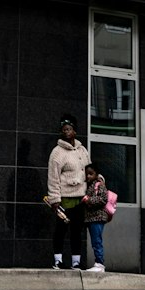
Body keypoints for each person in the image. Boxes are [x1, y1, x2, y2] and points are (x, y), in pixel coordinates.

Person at [44, 116, 90, 269]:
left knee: (77, 230)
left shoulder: (82, 150)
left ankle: (76, 262)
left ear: (74, 131)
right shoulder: (57, 152)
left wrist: (99, 178)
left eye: (69, 129)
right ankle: (58, 260)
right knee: (61, 230)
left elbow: (89, 169)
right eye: (64, 130)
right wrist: (54, 199)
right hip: (64, 198)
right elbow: (53, 177)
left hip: (81, 197)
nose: (66, 132)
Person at [80, 162, 110, 272]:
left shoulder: (99, 184)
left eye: (91, 174)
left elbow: (103, 199)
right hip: (91, 218)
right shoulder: (90, 185)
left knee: (97, 241)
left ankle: (100, 264)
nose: (88, 176)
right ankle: (98, 263)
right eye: (87, 174)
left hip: (97, 218)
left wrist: (88, 200)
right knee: (95, 241)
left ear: (96, 174)